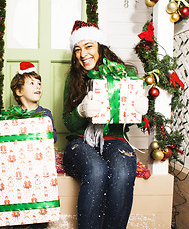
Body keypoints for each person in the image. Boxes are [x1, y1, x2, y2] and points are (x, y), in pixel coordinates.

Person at [62, 20, 146, 229]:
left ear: (100, 47)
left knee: (123, 171)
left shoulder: (123, 75)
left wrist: (139, 108)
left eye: (88, 46)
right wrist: (81, 111)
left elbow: (132, 118)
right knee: (96, 169)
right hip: (80, 141)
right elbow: (68, 123)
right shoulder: (74, 79)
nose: (82, 54)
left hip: (115, 139)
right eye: (77, 49)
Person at [10, 61, 57, 143]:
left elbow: (54, 138)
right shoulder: (14, 115)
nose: (38, 87)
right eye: (32, 83)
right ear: (19, 91)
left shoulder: (45, 113)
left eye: (39, 84)